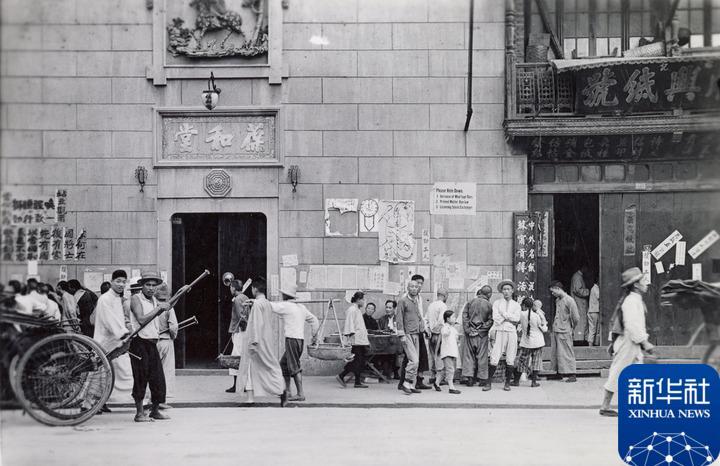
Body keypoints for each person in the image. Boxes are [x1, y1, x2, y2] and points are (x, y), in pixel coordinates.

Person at [599, 267, 654, 417]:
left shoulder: (634, 300)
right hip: (628, 342)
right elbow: (632, 325)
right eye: (643, 280)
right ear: (636, 284)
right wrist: (644, 342)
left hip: (632, 342)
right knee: (618, 372)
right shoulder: (630, 301)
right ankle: (605, 406)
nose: (646, 283)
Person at [235, 277, 287, 407]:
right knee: (267, 366)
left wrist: (254, 342)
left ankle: (280, 390)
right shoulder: (266, 303)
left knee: (252, 368)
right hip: (265, 340)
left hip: (257, 341)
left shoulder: (258, 305)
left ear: (255, 289)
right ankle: (277, 390)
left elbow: (256, 324)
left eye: (252, 288)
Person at [129, 271, 170, 422]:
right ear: (142, 285)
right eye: (148, 285)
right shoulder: (135, 298)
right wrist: (159, 309)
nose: (151, 288)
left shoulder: (153, 300)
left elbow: (165, 308)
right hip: (139, 343)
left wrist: (181, 292)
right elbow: (141, 319)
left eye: (154, 285)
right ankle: (139, 413)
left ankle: (155, 411)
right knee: (141, 377)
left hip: (152, 342)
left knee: (157, 378)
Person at [270, 284, 320, 402]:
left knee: (294, 367)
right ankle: (287, 391)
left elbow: (270, 306)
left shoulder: (286, 306)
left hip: (292, 340)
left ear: (284, 295)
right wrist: (314, 335)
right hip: (299, 340)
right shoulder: (301, 307)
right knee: (284, 364)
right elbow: (315, 320)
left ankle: (300, 394)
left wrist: (256, 302)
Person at [93, 270, 133, 410]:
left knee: (110, 374)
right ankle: (89, 404)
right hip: (105, 340)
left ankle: (101, 402)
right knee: (99, 374)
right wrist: (122, 333)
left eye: (124, 282)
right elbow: (109, 319)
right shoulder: (105, 299)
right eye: (118, 281)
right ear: (111, 282)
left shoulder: (117, 298)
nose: (121, 284)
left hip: (115, 340)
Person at [489, 280, 522, 391]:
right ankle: (488, 383)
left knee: (510, 357)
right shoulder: (497, 303)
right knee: (495, 356)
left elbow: (516, 319)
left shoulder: (516, 305)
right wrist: (508, 318)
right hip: (500, 331)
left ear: (512, 291)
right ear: (501, 291)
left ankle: (507, 383)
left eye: (508, 289)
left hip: (511, 332)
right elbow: (496, 318)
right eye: (504, 289)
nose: (506, 291)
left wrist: (504, 314)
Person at [396, 278, 425, 395]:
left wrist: (423, 328)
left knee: (416, 362)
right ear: (407, 288)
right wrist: (401, 334)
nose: (414, 288)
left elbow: (419, 316)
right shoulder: (402, 301)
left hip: (416, 333)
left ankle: (411, 385)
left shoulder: (416, 301)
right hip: (407, 334)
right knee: (414, 360)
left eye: (416, 287)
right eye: (411, 286)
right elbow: (399, 318)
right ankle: (406, 383)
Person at [511, 297, 548, 388]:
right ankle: (534, 382)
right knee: (536, 361)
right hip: (538, 342)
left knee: (522, 361)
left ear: (523, 305)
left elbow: (515, 321)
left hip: (526, 342)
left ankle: (516, 381)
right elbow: (544, 329)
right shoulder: (537, 316)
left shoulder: (521, 314)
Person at [461, 286, 494, 388]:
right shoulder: (489, 305)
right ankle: (482, 379)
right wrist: (481, 330)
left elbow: (464, 317)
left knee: (469, 356)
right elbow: (491, 320)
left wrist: (468, 330)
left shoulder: (470, 302)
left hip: (470, 333)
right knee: (482, 357)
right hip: (481, 335)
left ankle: (469, 379)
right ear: (489, 294)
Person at [337, 291, 371, 389]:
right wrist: (350, 338)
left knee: (359, 361)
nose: (364, 301)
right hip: (355, 340)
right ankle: (342, 375)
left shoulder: (357, 310)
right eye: (363, 299)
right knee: (357, 361)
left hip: (360, 339)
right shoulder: (352, 310)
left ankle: (357, 382)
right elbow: (349, 324)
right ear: (358, 300)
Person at [549, 280, 580, 383]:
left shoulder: (569, 300)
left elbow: (576, 317)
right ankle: (559, 373)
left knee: (567, 352)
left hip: (565, 330)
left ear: (558, 289)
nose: (552, 294)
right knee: (557, 353)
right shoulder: (558, 300)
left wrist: (571, 327)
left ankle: (572, 374)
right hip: (557, 329)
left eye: (553, 291)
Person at [154, 283, 178, 407]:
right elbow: (173, 327)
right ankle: (165, 396)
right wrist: (173, 337)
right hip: (166, 340)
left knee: (154, 370)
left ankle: (153, 396)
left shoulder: (153, 306)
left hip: (154, 341)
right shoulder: (169, 308)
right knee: (166, 369)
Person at [226, 279, 249, 393]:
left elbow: (241, 317)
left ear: (234, 288)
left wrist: (241, 329)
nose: (230, 289)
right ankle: (243, 384)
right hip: (244, 331)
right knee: (242, 357)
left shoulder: (237, 299)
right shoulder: (245, 297)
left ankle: (237, 385)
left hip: (240, 331)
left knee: (236, 357)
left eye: (231, 287)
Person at [434, 310, 461, 394]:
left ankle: (436, 383)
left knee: (445, 369)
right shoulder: (445, 327)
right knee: (450, 369)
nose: (455, 318)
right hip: (447, 352)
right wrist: (448, 330)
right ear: (448, 319)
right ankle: (451, 387)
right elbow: (445, 333)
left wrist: (458, 339)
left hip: (452, 351)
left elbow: (456, 338)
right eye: (453, 317)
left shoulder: (453, 328)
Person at [426, 288, 448, 386]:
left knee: (431, 355)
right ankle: (439, 378)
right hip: (438, 333)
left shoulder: (431, 305)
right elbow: (441, 321)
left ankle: (432, 376)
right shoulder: (443, 306)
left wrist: (429, 330)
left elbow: (426, 319)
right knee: (439, 355)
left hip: (430, 333)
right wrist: (437, 331)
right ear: (445, 296)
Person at [377, 300, 400, 379]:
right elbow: (379, 332)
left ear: (394, 309)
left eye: (390, 308)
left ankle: (394, 371)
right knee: (388, 351)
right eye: (386, 307)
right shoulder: (382, 319)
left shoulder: (398, 319)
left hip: (396, 343)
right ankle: (388, 372)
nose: (388, 309)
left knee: (395, 349)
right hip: (384, 343)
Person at [570, 266, 590, 343]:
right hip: (579, 303)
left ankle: (582, 338)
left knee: (582, 321)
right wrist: (588, 291)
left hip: (580, 303)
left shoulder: (578, 276)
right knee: (581, 321)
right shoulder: (577, 277)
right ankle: (579, 340)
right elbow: (577, 290)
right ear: (583, 267)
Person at [587, 278, 601, 346]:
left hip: (591, 311)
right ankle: (591, 344)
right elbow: (599, 297)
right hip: (595, 311)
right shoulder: (596, 288)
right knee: (595, 329)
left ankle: (591, 343)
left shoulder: (593, 288)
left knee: (592, 328)